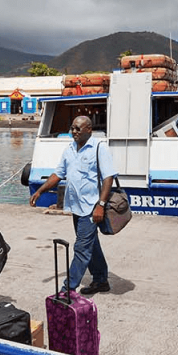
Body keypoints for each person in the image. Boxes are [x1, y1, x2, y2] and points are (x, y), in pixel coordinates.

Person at [29, 115, 116, 295]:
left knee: (82, 248)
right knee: (91, 245)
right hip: (76, 206)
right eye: (72, 128)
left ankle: (67, 290)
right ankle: (101, 280)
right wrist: (40, 190)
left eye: (78, 128)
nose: (74, 131)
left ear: (89, 130)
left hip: (91, 207)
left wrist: (100, 204)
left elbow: (108, 178)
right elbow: (57, 175)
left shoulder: (99, 148)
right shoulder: (69, 149)